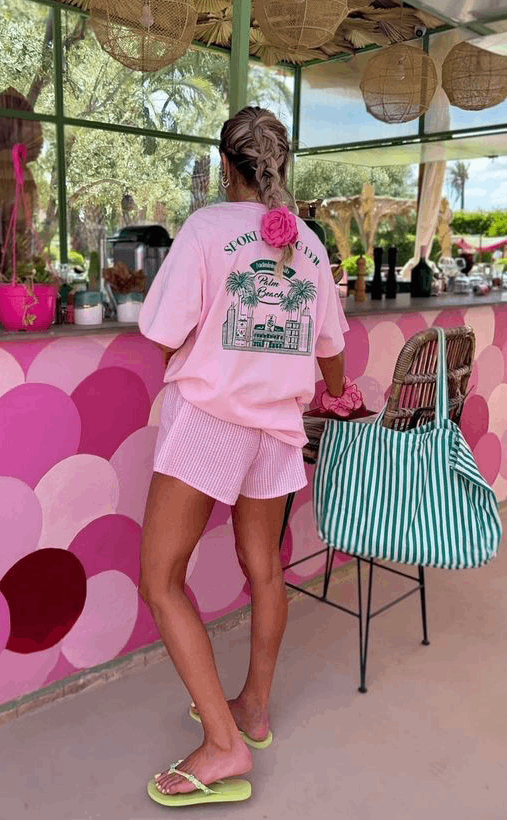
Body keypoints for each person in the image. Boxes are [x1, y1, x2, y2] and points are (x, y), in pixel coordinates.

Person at [138, 106, 349, 807]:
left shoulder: (206, 228)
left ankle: (224, 744)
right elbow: (330, 349)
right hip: (278, 427)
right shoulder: (309, 243)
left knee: (161, 580)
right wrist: (337, 395)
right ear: (280, 164)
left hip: (212, 420)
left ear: (225, 163)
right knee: (263, 569)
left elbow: (163, 332)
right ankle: (253, 709)